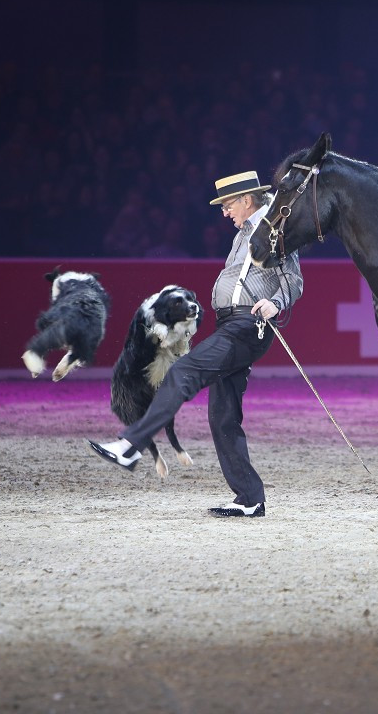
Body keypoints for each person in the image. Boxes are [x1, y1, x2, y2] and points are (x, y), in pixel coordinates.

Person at [89, 171, 304, 518]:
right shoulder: (241, 236)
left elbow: (294, 280)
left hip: (248, 326)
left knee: (184, 371)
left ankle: (131, 444)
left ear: (247, 200)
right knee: (223, 415)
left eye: (228, 204)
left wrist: (276, 303)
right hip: (230, 325)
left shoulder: (272, 230)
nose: (224, 212)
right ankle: (250, 498)